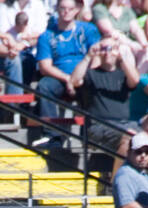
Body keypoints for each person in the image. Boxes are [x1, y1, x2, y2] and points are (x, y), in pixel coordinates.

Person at [33, 0, 102, 129]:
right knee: (44, 86)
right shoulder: (46, 36)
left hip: (84, 75)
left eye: (70, 9)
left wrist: (85, 77)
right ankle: (51, 135)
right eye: (62, 8)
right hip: (59, 76)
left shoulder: (89, 30)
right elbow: (44, 67)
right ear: (57, 9)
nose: (66, 12)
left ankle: (92, 133)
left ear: (77, 10)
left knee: (96, 82)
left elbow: (96, 57)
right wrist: (68, 79)